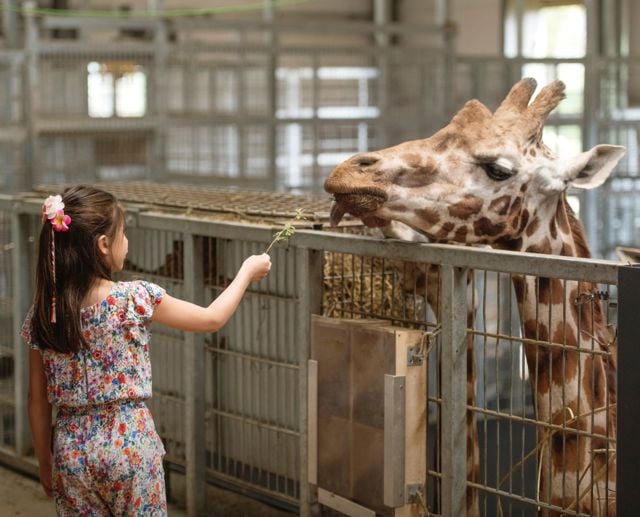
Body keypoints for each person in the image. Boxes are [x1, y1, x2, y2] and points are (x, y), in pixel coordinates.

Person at [21, 185, 271, 515]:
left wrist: (45, 462)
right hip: (130, 446)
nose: (128, 242)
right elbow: (211, 318)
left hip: (71, 451)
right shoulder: (136, 298)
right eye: (123, 233)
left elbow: (36, 399)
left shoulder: (45, 312)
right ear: (104, 244)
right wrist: (245, 273)